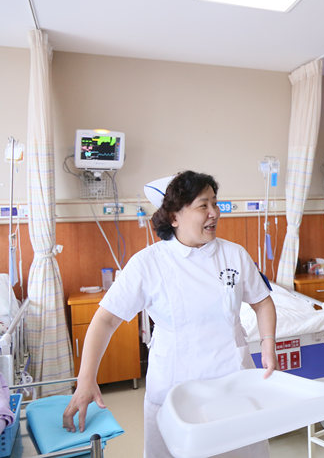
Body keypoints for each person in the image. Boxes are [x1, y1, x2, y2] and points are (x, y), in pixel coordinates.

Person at [63, 171, 278, 457]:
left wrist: (268, 344)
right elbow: (105, 319)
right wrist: (86, 379)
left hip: (232, 380)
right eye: (203, 206)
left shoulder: (234, 255)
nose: (214, 213)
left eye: (215, 203)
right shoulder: (148, 263)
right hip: (176, 386)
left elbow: (262, 302)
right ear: (174, 217)